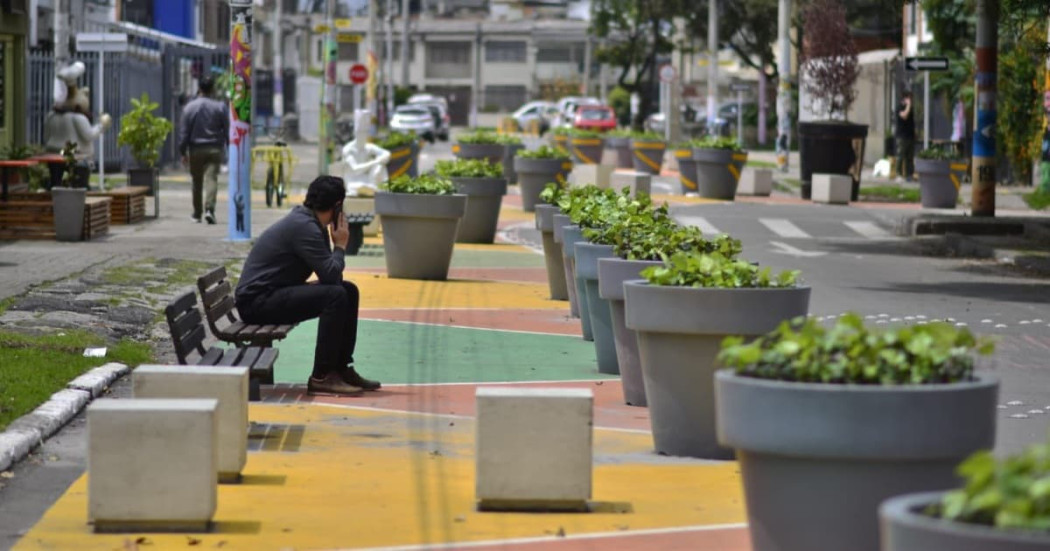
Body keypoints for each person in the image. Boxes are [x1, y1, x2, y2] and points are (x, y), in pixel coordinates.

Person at [234, 175, 380, 396]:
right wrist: (340, 245)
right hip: (257, 303)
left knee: (348, 291)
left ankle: (341, 369)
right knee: (336, 295)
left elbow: (334, 278)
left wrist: (333, 254)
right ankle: (322, 376)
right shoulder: (305, 227)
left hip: (269, 295)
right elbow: (331, 277)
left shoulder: (311, 223)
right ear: (337, 205)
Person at [43, 61, 111, 189]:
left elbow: (46, 137)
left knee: (55, 183)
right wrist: (102, 125)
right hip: (76, 158)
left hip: (53, 155)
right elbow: (88, 135)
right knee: (78, 186)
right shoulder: (77, 118)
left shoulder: (51, 116)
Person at [179, 76, 228, 224]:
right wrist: (228, 146)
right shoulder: (220, 107)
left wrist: (183, 151)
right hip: (214, 149)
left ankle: (196, 213)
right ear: (212, 89)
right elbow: (227, 129)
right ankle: (210, 210)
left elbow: (184, 133)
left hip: (195, 149)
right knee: (212, 179)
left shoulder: (189, 108)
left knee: (196, 181)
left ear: (199, 89)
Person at [341, 109, 391, 198]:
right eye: (360, 133)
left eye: (364, 133)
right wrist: (375, 162)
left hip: (368, 179)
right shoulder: (348, 149)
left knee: (380, 166)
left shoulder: (368, 147)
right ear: (355, 133)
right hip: (354, 180)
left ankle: (379, 190)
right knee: (361, 187)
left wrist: (379, 162)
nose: (362, 136)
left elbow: (387, 153)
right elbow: (355, 169)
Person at [895, 90, 916, 183]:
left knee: (909, 157)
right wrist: (908, 105)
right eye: (910, 98)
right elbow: (904, 116)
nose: (911, 100)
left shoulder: (910, 108)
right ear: (905, 98)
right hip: (902, 136)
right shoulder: (900, 107)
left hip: (910, 135)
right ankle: (898, 174)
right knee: (901, 155)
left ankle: (909, 174)